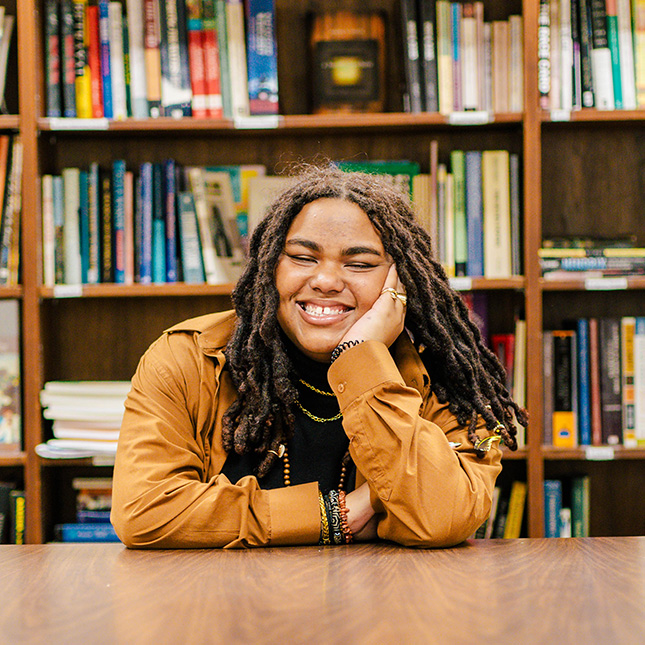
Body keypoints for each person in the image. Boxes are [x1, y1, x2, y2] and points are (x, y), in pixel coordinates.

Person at [111, 164, 527, 549]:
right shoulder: (187, 358)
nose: (326, 280)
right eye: (302, 258)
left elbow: (445, 517)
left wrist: (361, 357)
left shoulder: (444, 375)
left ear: (399, 281)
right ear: (270, 265)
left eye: (360, 264)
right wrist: (335, 514)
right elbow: (144, 512)